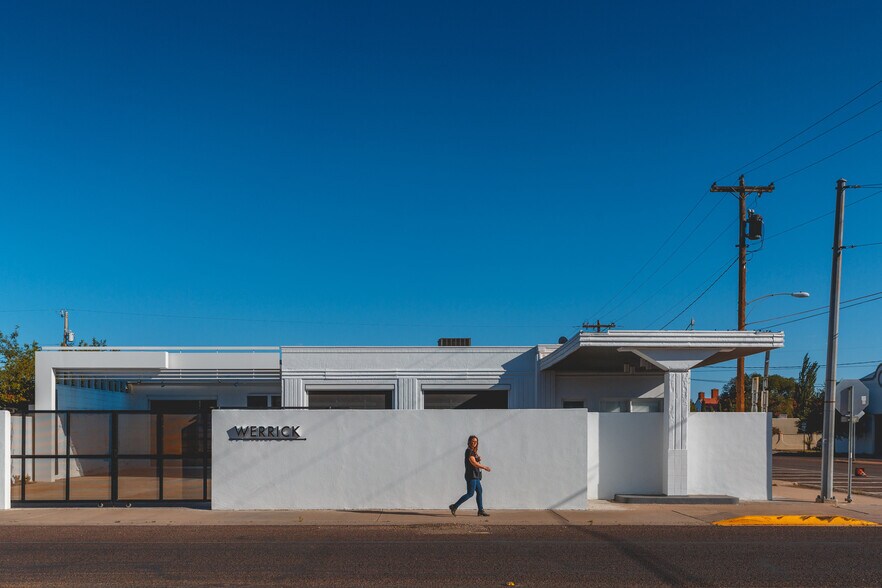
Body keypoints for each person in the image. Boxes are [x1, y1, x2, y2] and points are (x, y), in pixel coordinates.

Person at [449, 435, 491, 516]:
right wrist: (484, 467)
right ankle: (454, 506)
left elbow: (475, 461)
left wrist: (478, 460)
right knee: (470, 493)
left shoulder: (473, 451)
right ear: (469, 442)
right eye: (473, 441)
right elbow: (473, 463)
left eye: (476, 441)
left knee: (479, 491)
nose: (474, 443)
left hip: (475, 475)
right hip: (471, 475)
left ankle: (480, 510)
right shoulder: (469, 451)